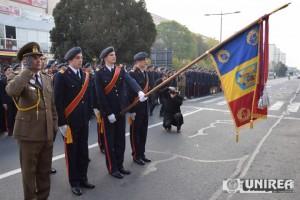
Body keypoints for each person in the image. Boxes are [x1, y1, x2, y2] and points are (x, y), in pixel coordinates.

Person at [5, 42, 58, 200]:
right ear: (25, 61)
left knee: (44, 173)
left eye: (40, 57)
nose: (39, 60)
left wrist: (54, 127)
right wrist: (27, 71)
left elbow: (52, 106)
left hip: (46, 134)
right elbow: (12, 91)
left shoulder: (46, 79)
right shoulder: (16, 77)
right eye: (33, 58)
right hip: (28, 136)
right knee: (29, 175)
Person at [94, 46, 147, 179]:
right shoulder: (99, 73)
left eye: (114, 54)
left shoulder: (120, 70)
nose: (114, 56)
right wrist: (107, 112)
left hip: (121, 110)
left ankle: (120, 165)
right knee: (110, 142)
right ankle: (112, 168)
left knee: (120, 140)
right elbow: (100, 96)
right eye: (111, 55)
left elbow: (130, 80)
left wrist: (139, 91)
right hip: (109, 113)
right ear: (105, 57)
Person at [54, 47, 95, 196]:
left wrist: (89, 115)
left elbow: (88, 98)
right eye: (77, 58)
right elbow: (57, 102)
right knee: (72, 153)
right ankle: (75, 182)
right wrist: (61, 123)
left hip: (83, 120)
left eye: (81, 57)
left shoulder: (85, 75)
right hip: (70, 123)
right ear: (70, 60)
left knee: (83, 151)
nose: (81, 60)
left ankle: (83, 178)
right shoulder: (62, 76)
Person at [128, 52, 151, 165]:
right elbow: (128, 92)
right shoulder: (132, 74)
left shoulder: (145, 73)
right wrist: (131, 111)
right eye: (143, 60)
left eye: (145, 60)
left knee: (143, 132)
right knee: (135, 133)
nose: (145, 62)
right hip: (136, 107)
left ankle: (142, 153)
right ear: (138, 62)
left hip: (144, 107)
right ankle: (136, 155)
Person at [0, 65, 15, 136]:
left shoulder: (14, 79)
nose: (11, 71)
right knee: (9, 116)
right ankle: (10, 130)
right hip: (7, 101)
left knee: (14, 115)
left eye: (11, 70)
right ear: (5, 71)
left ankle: (15, 129)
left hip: (15, 100)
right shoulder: (2, 80)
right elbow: (2, 93)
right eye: (9, 70)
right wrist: (4, 103)